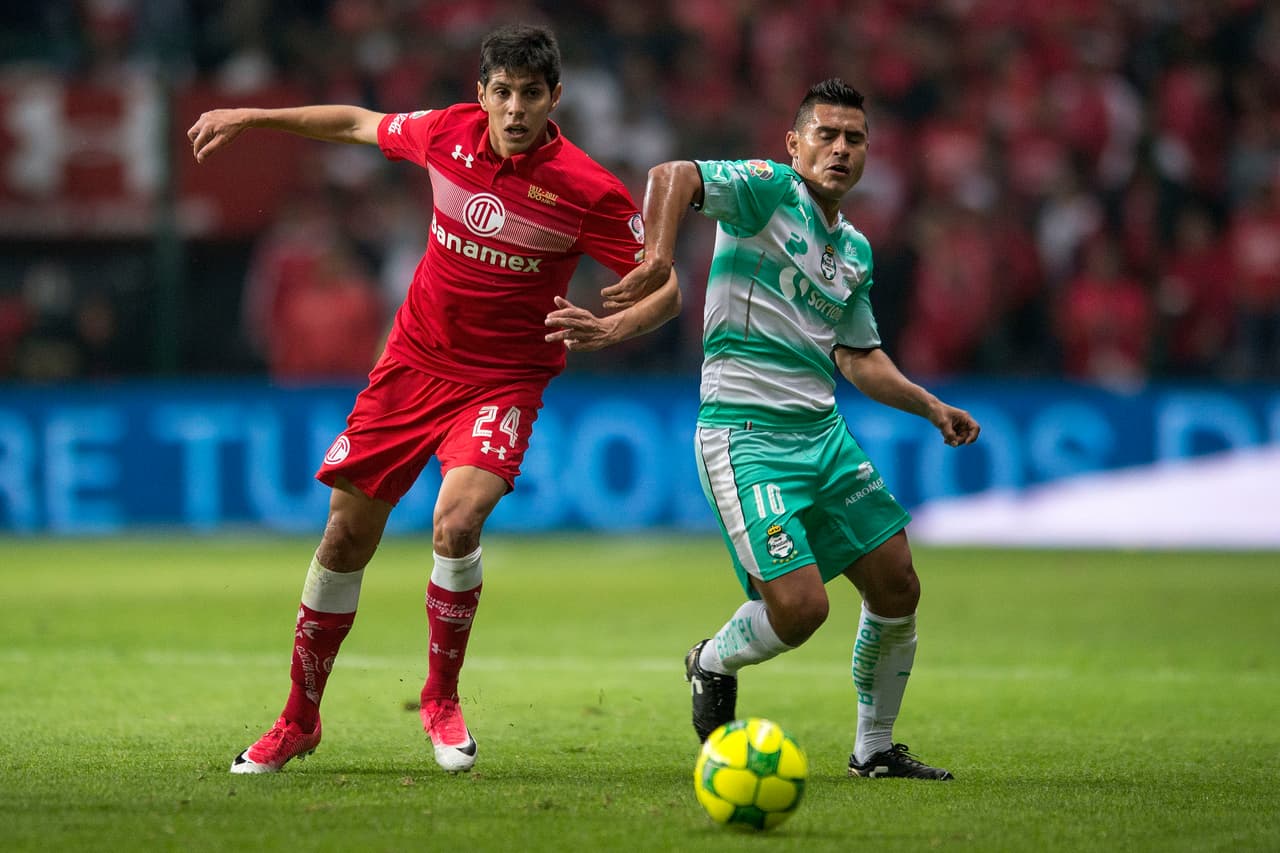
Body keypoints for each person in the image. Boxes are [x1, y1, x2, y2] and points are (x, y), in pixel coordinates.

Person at [187, 24, 680, 775]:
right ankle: (297, 719)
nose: (516, 109)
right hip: (411, 364)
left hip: (504, 377)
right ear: (481, 94)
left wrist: (612, 327)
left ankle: (440, 699)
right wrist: (249, 118)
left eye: (532, 94)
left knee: (457, 521)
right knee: (345, 537)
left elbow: (668, 285)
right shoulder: (444, 133)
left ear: (556, 99)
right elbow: (353, 123)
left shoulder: (588, 189)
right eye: (503, 92)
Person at [599, 78, 979, 780]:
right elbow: (671, 175)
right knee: (802, 609)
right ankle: (711, 659)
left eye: (854, 138)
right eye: (826, 135)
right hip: (744, 435)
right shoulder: (768, 192)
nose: (839, 148)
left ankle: (874, 749)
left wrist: (929, 405)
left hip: (822, 433)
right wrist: (656, 256)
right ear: (794, 144)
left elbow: (859, 357)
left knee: (898, 582)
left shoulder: (854, 250)